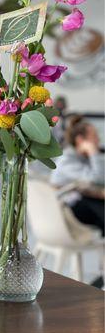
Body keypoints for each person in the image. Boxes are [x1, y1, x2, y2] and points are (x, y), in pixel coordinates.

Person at [51, 115, 104, 287]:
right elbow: (98, 179)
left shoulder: (81, 159)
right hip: (68, 214)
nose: (98, 140)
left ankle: (102, 276)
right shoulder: (67, 159)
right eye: (94, 136)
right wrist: (94, 152)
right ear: (81, 140)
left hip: (78, 207)